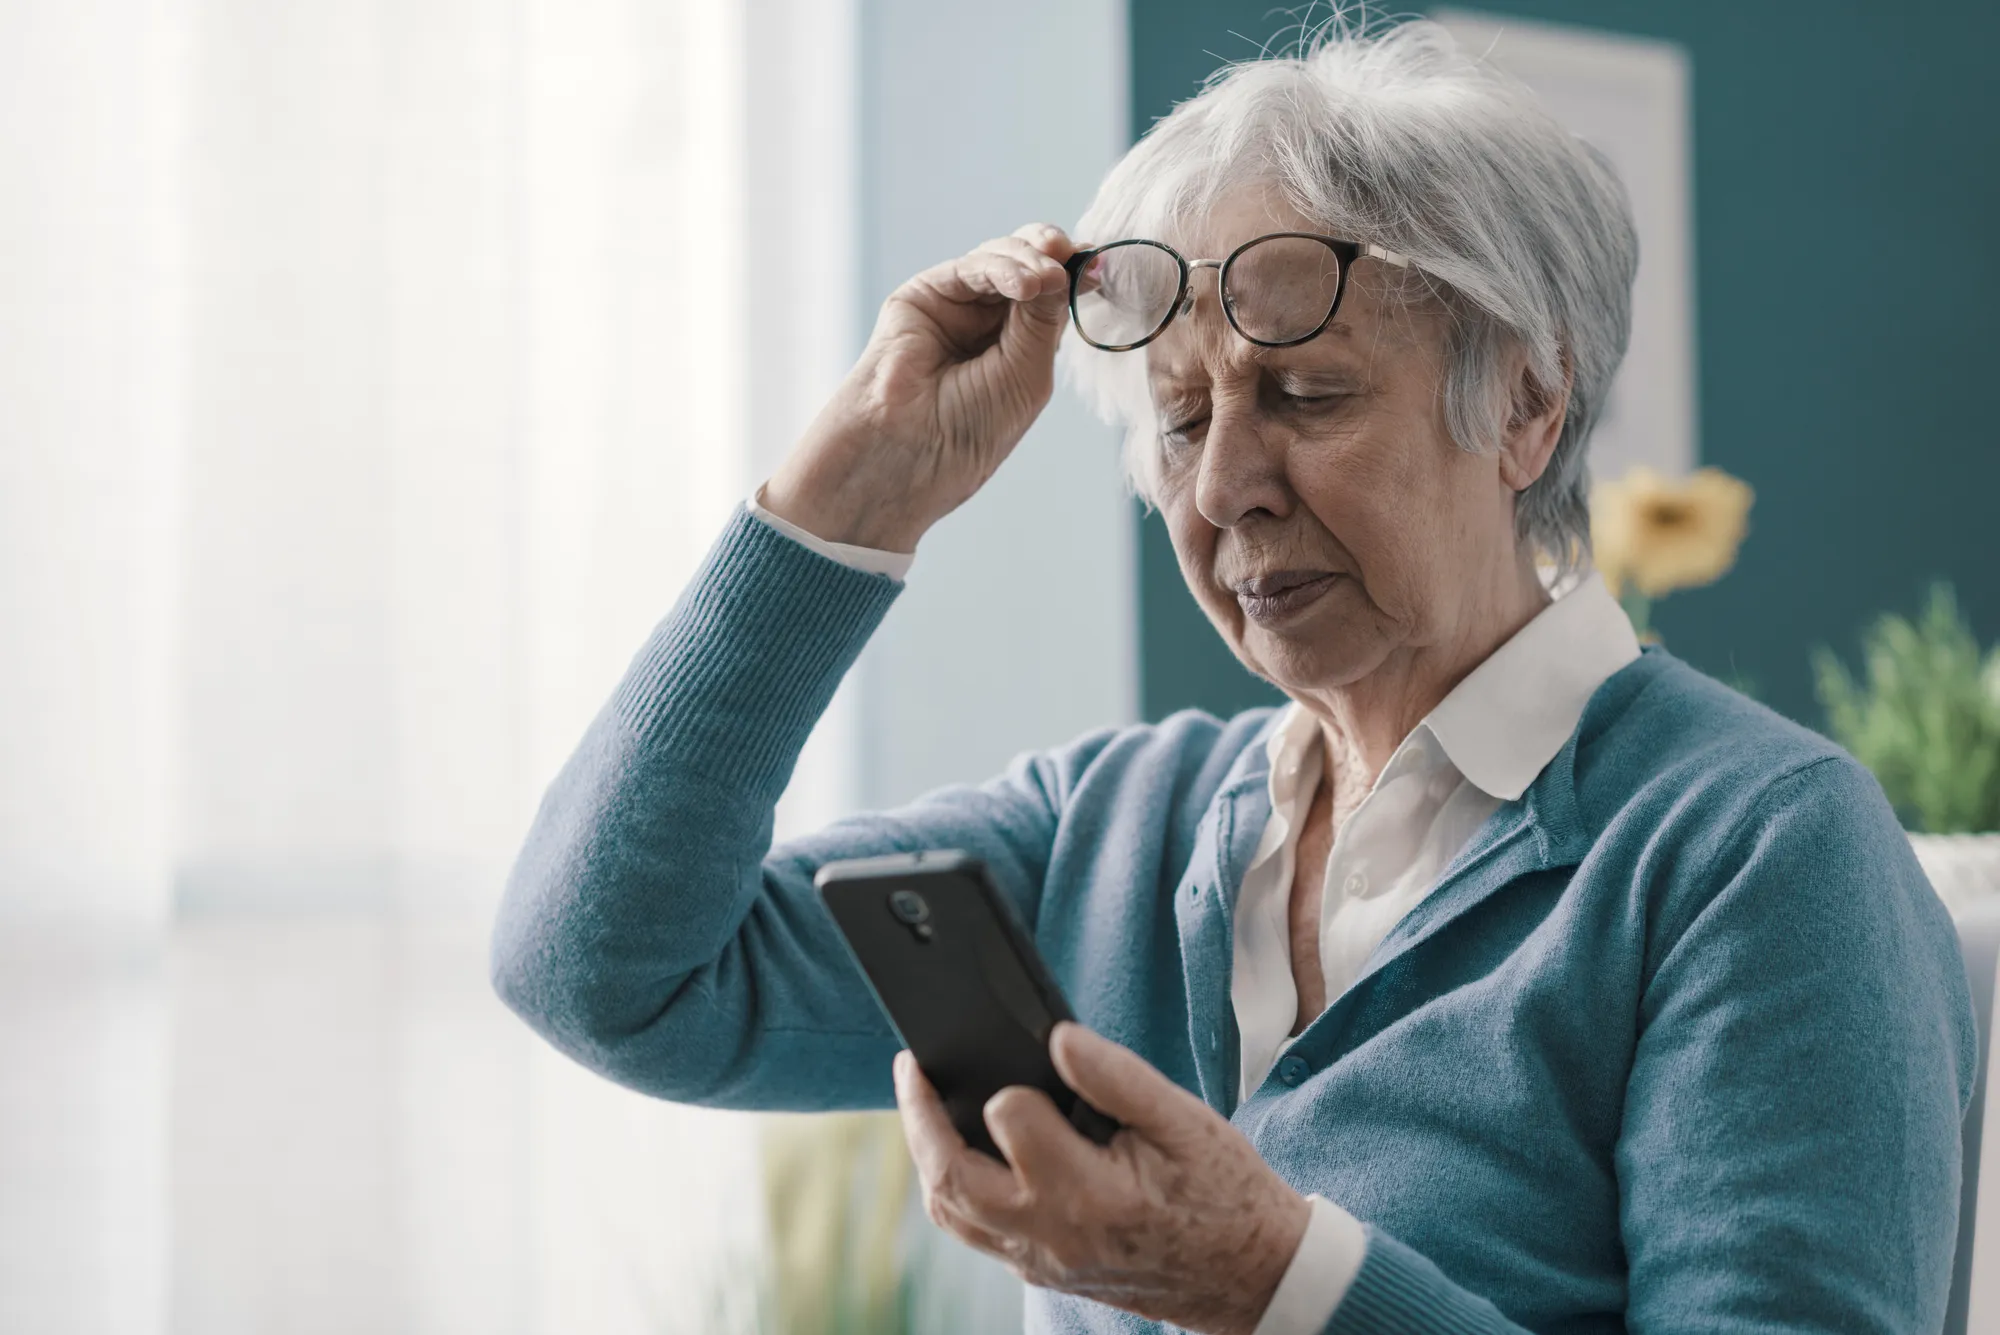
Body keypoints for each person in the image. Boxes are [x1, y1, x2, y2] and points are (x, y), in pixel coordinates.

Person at [492, 20, 1974, 1334]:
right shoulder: (1107, 827)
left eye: (1308, 394)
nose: (1222, 490)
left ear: (1527, 406)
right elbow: (606, 975)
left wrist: (1271, 1283)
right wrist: (848, 502)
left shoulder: (1757, 853)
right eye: (1183, 418)